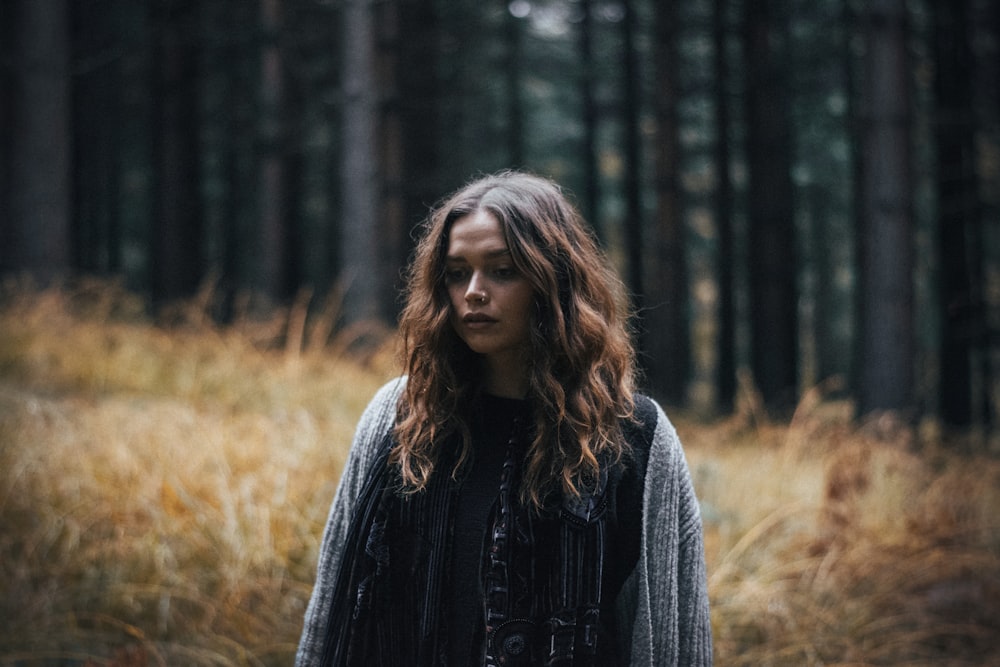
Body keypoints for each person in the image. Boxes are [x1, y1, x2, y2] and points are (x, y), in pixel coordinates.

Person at [296, 171, 712, 666]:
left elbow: (670, 633)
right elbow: (333, 602)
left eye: (503, 270)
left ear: (552, 280)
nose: (474, 291)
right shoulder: (400, 416)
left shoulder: (633, 436)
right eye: (456, 272)